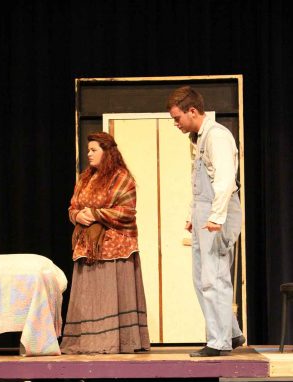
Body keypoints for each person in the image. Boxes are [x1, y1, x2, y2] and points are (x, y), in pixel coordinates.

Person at [166, 86, 246, 357]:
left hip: (218, 211)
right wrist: (193, 215)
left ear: (192, 111)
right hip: (205, 210)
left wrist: (215, 216)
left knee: (214, 277)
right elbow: (199, 182)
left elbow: (224, 181)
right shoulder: (200, 138)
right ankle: (231, 333)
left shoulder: (217, 136)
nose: (176, 124)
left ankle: (219, 341)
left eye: (178, 118)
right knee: (202, 278)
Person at [60, 132, 150, 354]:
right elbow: (73, 206)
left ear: (107, 152)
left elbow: (127, 212)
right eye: (88, 150)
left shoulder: (122, 179)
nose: (89, 154)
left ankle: (116, 342)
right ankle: (87, 342)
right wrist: (77, 216)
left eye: (94, 150)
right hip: (87, 245)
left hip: (115, 246)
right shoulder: (85, 179)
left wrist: (96, 214)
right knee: (90, 296)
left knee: (110, 295)